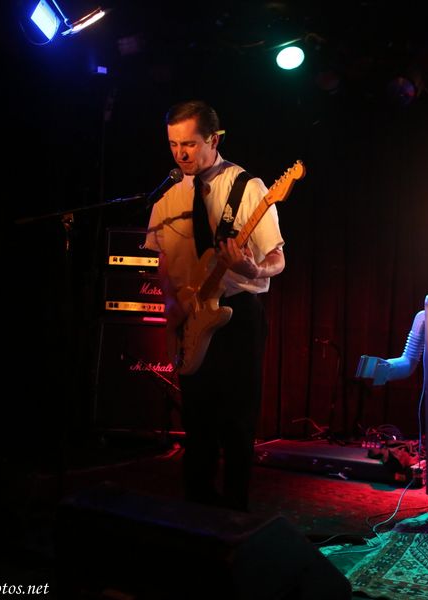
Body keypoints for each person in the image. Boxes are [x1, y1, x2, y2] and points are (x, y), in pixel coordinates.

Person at [144, 100, 285, 511]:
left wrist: (253, 268)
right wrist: (171, 306)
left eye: (189, 144)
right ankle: (197, 509)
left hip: (236, 315)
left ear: (214, 139)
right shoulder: (166, 197)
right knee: (197, 421)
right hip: (190, 318)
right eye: (173, 145)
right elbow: (163, 261)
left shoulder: (247, 188)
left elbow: (278, 259)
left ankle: (236, 514)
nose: (181, 154)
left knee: (237, 422)